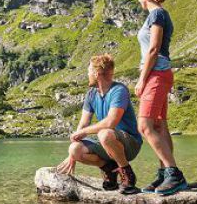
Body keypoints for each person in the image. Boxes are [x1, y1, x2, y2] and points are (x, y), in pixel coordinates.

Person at [54, 54, 143, 194]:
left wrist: (83, 133)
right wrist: (72, 154)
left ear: (96, 74)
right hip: (107, 142)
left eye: (89, 71)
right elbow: (83, 124)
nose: (87, 74)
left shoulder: (119, 90)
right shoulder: (91, 94)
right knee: (75, 149)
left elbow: (111, 122)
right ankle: (110, 169)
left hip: (130, 143)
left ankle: (127, 174)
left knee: (105, 133)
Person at [134, 0, 188, 195]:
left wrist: (141, 79)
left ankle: (174, 173)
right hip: (160, 74)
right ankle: (164, 172)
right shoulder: (158, 14)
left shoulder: (156, 14)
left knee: (144, 125)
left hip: (156, 74)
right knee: (159, 125)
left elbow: (154, 49)